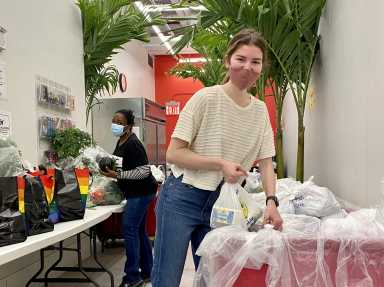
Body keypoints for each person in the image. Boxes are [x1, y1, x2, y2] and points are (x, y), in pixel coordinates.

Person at [151, 28, 283, 287]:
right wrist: (219, 163)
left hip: (224, 206)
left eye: (255, 62)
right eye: (241, 59)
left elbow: (267, 162)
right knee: (166, 280)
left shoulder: (259, 112)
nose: (248, 67)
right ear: (228, 61)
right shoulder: (206, 98)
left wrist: (271, 201)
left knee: (213, 281)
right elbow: (174, 153)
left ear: (262, 67)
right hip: (182, 197)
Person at [101, 109, 157, 287]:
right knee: (138, 230)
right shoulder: (121, 140)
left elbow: (143, 171)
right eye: (114, 120)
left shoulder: (133, 143)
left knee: (130, 229)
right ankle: (148, 271)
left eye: (119, 121)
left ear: (129, 126)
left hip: (141, 192)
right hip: (136, 192)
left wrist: (118, 176)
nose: (115, 124)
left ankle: (132, 277)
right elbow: (121, 166)